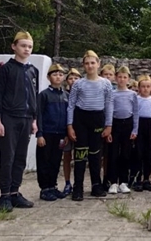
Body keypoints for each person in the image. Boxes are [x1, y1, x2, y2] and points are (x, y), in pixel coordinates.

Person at [0, 31, 39, 211]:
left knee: (20, 158)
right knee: (7, 157)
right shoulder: (6, 69)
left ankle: (14, 192)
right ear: (14, 46)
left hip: (27, 119)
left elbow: (34, 96)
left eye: (29, 46)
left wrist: (34, 120)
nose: (26, 49)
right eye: (23, 45)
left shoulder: (32, 70)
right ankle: (4, 195)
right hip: (9, 118)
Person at [67, 50, 113, 201]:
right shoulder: (78, 84)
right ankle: (78, 187)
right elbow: (71, 105)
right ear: (83, 65)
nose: (90, 65)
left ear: (98, 64)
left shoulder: (106, 83)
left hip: (98, 119)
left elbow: (109, 104)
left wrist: (108, 125)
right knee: (80, 155)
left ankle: (96, 186)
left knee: (96, 154)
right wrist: (70, 125)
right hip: (81, 120)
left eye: (93, 63)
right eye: (87, 63)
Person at [36, 64, 68, 201]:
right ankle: (45, 188)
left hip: (60, 134)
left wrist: (66, 133)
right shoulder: (44, 95)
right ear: (49, 77)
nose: (58, 77)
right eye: (55, 74)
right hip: (47, 133)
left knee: (55, 161)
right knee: (44, 160)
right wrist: (40, 134)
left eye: (61, 74)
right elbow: (39, 115)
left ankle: (53, 186)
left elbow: (69, 115)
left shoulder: (66, 95)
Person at [107, 66, 138, 194]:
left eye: (124, 77)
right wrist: (108, 127)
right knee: (113, 154)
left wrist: (135, 129)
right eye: (119, 77)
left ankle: (123, 182)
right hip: (115, 124)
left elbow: (136, 112)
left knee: (126, 154)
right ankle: (113, 182)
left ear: (128, 79)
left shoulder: (133, 94)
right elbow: (108, 110)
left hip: (128, 124)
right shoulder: (112, 93)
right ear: (115, 78)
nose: (122, 79)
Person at [131, 75, 151, 192]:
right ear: (139, 87)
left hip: (150, 125)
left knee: (148, 153)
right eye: (143, 87)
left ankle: (146, 178)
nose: (145, 89)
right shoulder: (136, 99)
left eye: (148, 86)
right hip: (139, 124)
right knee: (138, 152)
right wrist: (134, 130)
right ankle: (137, 178)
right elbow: (134, 115)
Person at [62, 68, 81, 197]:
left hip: (81, 129)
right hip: (66, 130)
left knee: (80, 157)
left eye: (76, 78)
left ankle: (78, 183)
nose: (73, 81)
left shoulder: (83, 94)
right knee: (67, 156)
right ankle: (67, 182)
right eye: (71, 78)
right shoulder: (63, 95)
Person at [99, 64, 116, 190]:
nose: (108, 77)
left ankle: (106, 178)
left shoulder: (115, 91)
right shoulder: (98, 87)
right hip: (98, 123)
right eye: (106, 74)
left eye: (110, 75)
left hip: (111, 125)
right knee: (97, 154)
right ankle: (97, 178)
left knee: (108, 155)